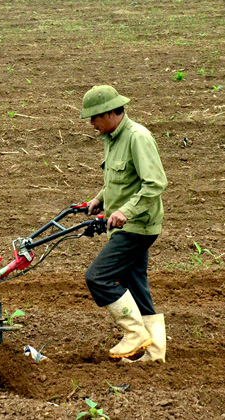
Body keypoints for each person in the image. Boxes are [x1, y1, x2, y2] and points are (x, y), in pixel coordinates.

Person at [80, 85, 168, 363]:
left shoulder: (137, 137)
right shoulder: (112, 138)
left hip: (138, 226)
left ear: (109, 113)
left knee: (97, 277)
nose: (91, 124)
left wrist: (125, 211)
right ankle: (155, 354)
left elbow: (155, 183)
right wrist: (100, 199)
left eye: (94, 117)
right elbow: (120, 180)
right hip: (126, 225)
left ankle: (134, 333)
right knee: (135, 284)